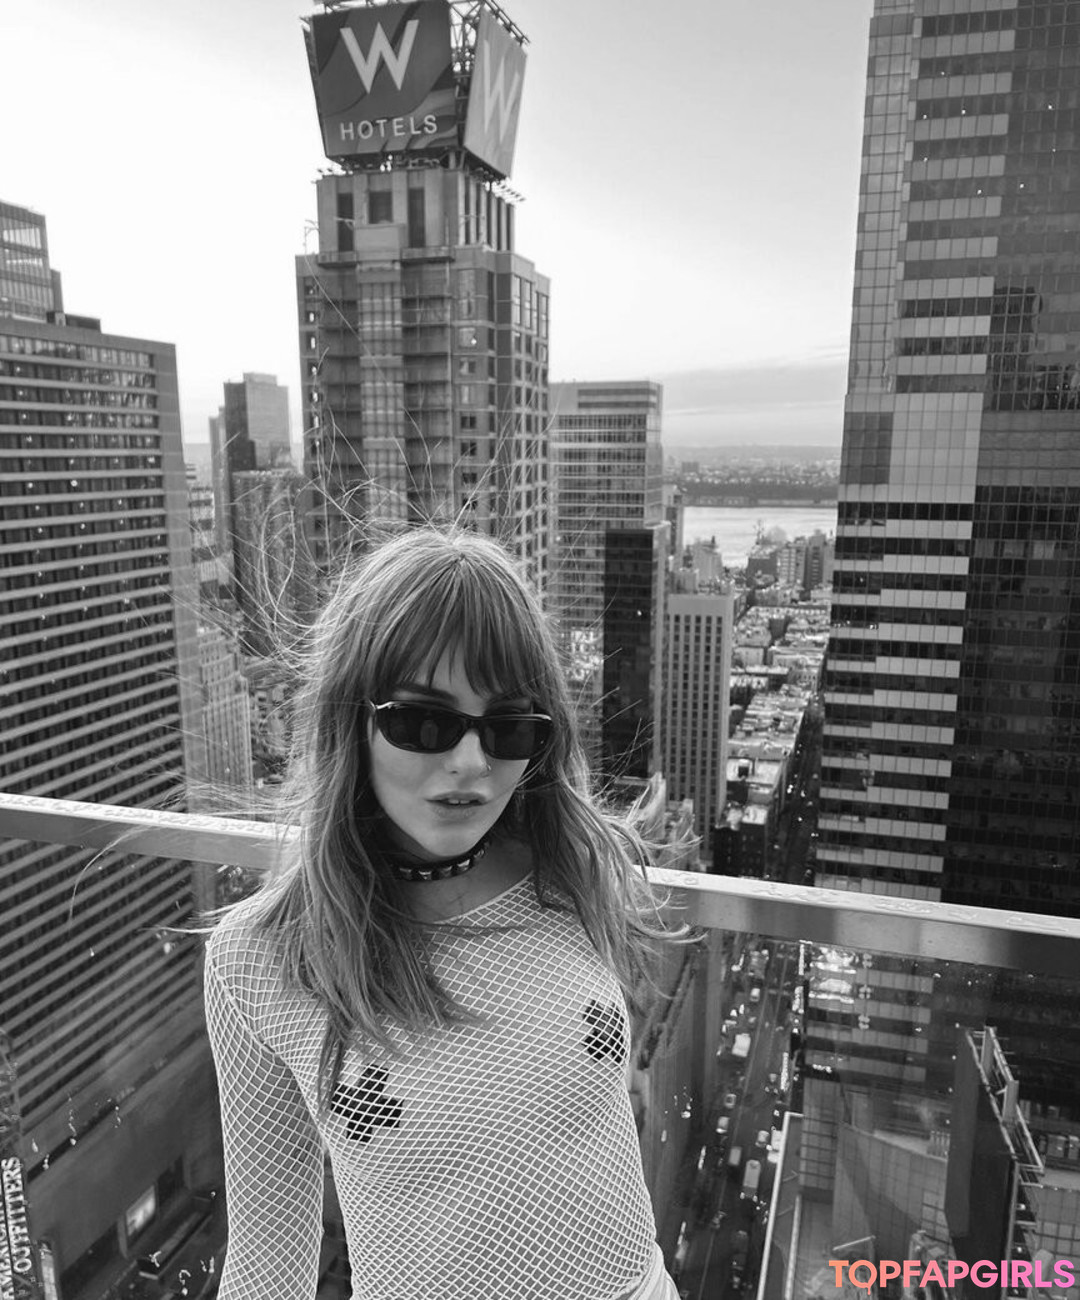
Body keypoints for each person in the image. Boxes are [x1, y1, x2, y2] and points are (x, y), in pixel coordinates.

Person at [204, 526, 685, 1300]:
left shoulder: (575, 873)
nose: (470, 764)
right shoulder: (259, 961)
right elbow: (269, 1259)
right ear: (350, 722)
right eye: (423, 722)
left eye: (509, 727)